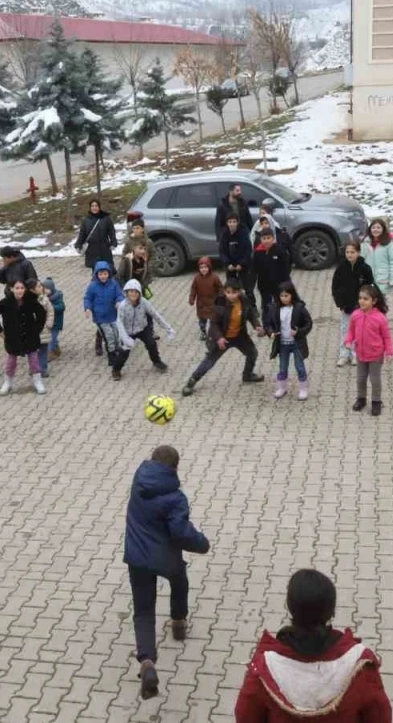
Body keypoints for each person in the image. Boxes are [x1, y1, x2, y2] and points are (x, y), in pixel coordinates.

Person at [234, 569, 393, 723]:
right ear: (332, 612)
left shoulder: (265, 668)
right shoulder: (360, 666)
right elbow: (380, 717)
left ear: (291, 608)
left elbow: (246, 717)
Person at [123, 445, 210, 699]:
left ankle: (147, 662)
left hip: (137, 556)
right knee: (179, 579)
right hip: (166, 557)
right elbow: (181, 533)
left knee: (143, 612)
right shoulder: (175, 498)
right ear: (175, 467)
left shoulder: (139, 480)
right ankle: (179, 621)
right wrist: (202, 543)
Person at [181, 280, 265, 396]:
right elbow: (214, 324)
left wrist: (257, 325)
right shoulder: (220, 303)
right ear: (225, 292)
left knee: (252, 353)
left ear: (240, 292)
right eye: (228, 292)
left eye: (234, 292)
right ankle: (192, 381)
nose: (231, 295)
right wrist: (219, 338)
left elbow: (250, 313)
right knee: (210, 361)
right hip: (222, 338)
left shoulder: (244, 300)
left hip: (239, 335)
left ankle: (248, 375)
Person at [0, 279, 48, 395]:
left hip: (30, 336)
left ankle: (37, 381)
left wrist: (37, 329)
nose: (20, 290)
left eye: (22, 288)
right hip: (13, 337)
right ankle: (8, 382)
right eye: (17, 288)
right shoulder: (6, 302)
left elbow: (41, 313)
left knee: (33, 360)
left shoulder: (30, 300)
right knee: (11, 361)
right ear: (12, 289)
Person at [345, 285, 393, 417]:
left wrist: (389, 352)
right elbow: (351, 331)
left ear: (374, 301)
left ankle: (376, 402)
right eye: (360, 298)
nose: (362, 301)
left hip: (376, 355)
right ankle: (361, 399)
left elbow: (386, 337)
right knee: (360, 379)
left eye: (365, 299)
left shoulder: (380, 318)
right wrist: (348, 341)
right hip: (361, 354)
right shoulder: (355, 315)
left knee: (375, 380)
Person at [113, 279, 176, 378]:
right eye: (130, 292)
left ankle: (157, 362)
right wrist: (125, 339)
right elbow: (119, 323)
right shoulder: (122, 306)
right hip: (127, 331)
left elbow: (155, 314)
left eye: (135, 292)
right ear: (126, 292)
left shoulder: (144, 302)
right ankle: (116, 370)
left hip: (142, 328)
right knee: (124, 352)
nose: (133, 294)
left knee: (151, 343)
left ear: (139, 293)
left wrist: (168, 328)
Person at [264, 281, 313, 401]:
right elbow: (268, 324)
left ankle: (303, 389)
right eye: (282, 296)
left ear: (292, 295)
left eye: (287, 295)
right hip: (283, 343)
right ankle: (282, 387)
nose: (284, 298)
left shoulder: (299, 308)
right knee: (282, 367)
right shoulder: (274, 308)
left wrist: (299, 332)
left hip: (296, 343)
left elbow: (308, 323)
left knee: (299, 366)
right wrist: (270, 333)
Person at [331, 241, 374, 367]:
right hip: (346, 306)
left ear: (359, 252)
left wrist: (366, 303)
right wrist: (340, 303)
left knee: (359, 330)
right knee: (345, 329)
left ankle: (356, 355)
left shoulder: (365, 268)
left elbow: (370, 287)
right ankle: (344, 355)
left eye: (352, 252)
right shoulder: (341, 268)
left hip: (361, 307)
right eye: (347, 252)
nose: (349, 255)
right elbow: (335, 287)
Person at [84, 260, 127, 365]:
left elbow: (119, 295)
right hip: (100, 318)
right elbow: (87, 298)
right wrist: (88, 308)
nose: (103, 276)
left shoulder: (114, 284)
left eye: (105, 274)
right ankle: (111, 356)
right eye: (100, 274)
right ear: (96, 275)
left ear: (109, 274)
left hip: (113, 315)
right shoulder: (93, 286)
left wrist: (118, 301)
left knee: (116, 334)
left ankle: (117, 351)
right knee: (109, 337)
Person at [253, 228, 294, 318]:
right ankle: (267, 326)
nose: (266, 241)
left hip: (279, 285)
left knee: (279, 306)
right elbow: (254, 269)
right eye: (264, 238)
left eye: (268, 238)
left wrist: (285, 282)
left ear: (273, 238)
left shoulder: (280, 250)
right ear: (261, 239)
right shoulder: (258, 252)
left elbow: (286, 266)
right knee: (266, 307)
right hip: (264, 285)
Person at [361, 219, 393, 311]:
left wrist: (392, 280)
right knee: (368, 307)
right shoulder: (365, 243)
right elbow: (361, 260)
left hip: (382, 281)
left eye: (378, 227)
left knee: (380, 307)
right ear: (370, 229)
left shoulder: (389, 244)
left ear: (383, 229)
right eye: (373, 227)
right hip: (368, 281)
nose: (376, 230)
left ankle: (381, 324)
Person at [75, 199, 117, 269]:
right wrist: (78, 245)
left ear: (99, 207)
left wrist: (113, 243)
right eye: (92, 206)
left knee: (107, 269)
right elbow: (82, 234)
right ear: (90, 207)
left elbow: (111, 231)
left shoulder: (106, 218)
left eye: (96, 206)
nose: (94, 208)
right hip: (92, 250)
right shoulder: (86, 220)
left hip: (104, 248)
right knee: (96, 270)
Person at [219, 213, 255, 295]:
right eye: (230, 222)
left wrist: (242, 264)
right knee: (231, 286)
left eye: (234, 222)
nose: (232, 224)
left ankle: (251, 306)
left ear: (237, 222)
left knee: (247, 287)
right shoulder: (224, 234)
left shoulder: (243, 233)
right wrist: (227, 264)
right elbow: (222, 251)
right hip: (230, 265)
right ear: (227, 223)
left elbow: (247, 250)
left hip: (242, 265)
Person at [188, 257, 223, 340]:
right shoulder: (197, 278)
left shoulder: (214, 277)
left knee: (213, 319)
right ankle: (203, 332)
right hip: (201, 303)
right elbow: (193, 289)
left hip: (212, 302)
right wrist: (191, 298)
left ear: (209, 267)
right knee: (202, 319)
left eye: (205, 267)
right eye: (201, 267)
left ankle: (213, 332)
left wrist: (221, 297)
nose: (203, 269)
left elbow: (220, 288)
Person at [32, 279, 55, 379]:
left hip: (44, 329)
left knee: (43, 350)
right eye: (38, 286)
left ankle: (43, 369)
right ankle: (34, 368)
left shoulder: (45, 300)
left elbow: (50, 312)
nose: (41, 288)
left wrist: (49, 323)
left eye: (41, 286)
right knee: (33, 351)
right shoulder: (28, 301)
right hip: (33, 331)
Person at [43, 277, 66, 358]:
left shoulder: (57, 297)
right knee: (52, 337)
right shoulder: (44, 298)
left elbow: (62, 307)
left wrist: (51, 307)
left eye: (47, 289)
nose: (45, 291)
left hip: (56, 322)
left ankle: (50, 354)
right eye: (44, 289)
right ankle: (56, 348)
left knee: (52, 338)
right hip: (49, 322)